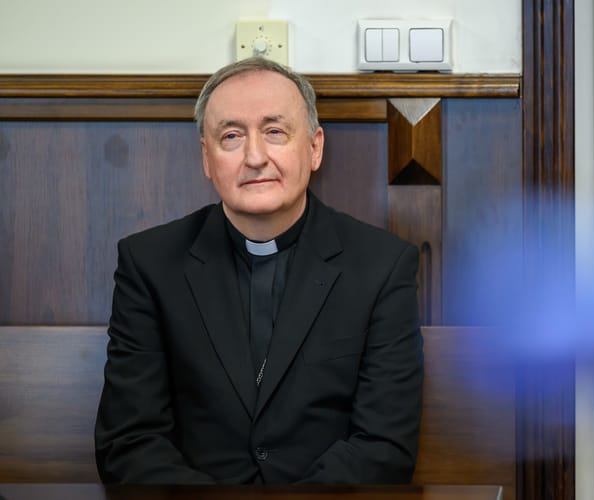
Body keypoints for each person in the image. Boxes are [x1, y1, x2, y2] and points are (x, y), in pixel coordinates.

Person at [95, 57, 424, 484]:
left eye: (274, 132)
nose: (254, 157)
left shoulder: (382, 265)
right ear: (207, 158)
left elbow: (383, 446)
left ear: (314, 148)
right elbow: (129, 442)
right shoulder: (150, 264)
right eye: (231, 136)